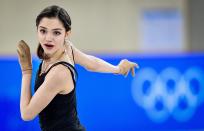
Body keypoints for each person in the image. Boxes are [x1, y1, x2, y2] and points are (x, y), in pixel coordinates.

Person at [17, 5, 139, 131]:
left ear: (67, 34)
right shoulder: (66, 48)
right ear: (37, 30)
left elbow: (27, 114)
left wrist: (26, 71)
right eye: (43, 31)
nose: (48, 38)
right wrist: (118, 68)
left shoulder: (59, 73)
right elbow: (92, 64)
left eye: (56, 32)